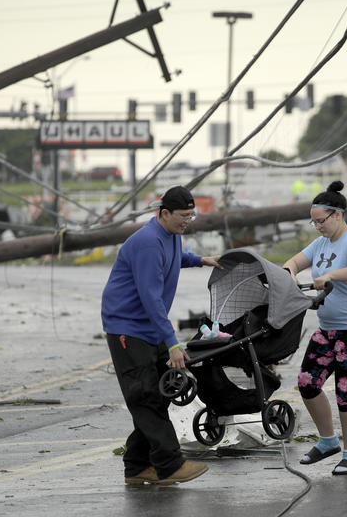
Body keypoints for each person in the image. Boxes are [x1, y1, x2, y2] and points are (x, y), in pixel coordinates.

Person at [101, 185, 222, 486]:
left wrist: (201, 260)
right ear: (163, 213)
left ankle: (137, 466)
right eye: (183, 216)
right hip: (128, 328)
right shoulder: (147, 242)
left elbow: (176, 256)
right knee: (145, 397)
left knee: (159, 393)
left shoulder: (170, 236)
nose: (186, 222)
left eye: (191, 217)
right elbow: (151, 299)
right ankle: (169, 465)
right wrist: (172, 344)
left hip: (147, 326)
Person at [282, 181, 347, 476]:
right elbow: (294, 261)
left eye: (321, 221)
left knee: (345, 392)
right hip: (328, 330)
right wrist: (290, 272)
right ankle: (327, 442)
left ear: (338, 215)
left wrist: (334, 275)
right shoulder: (321, 243)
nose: (317, 226)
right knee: (308, 383)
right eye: (314, 222)